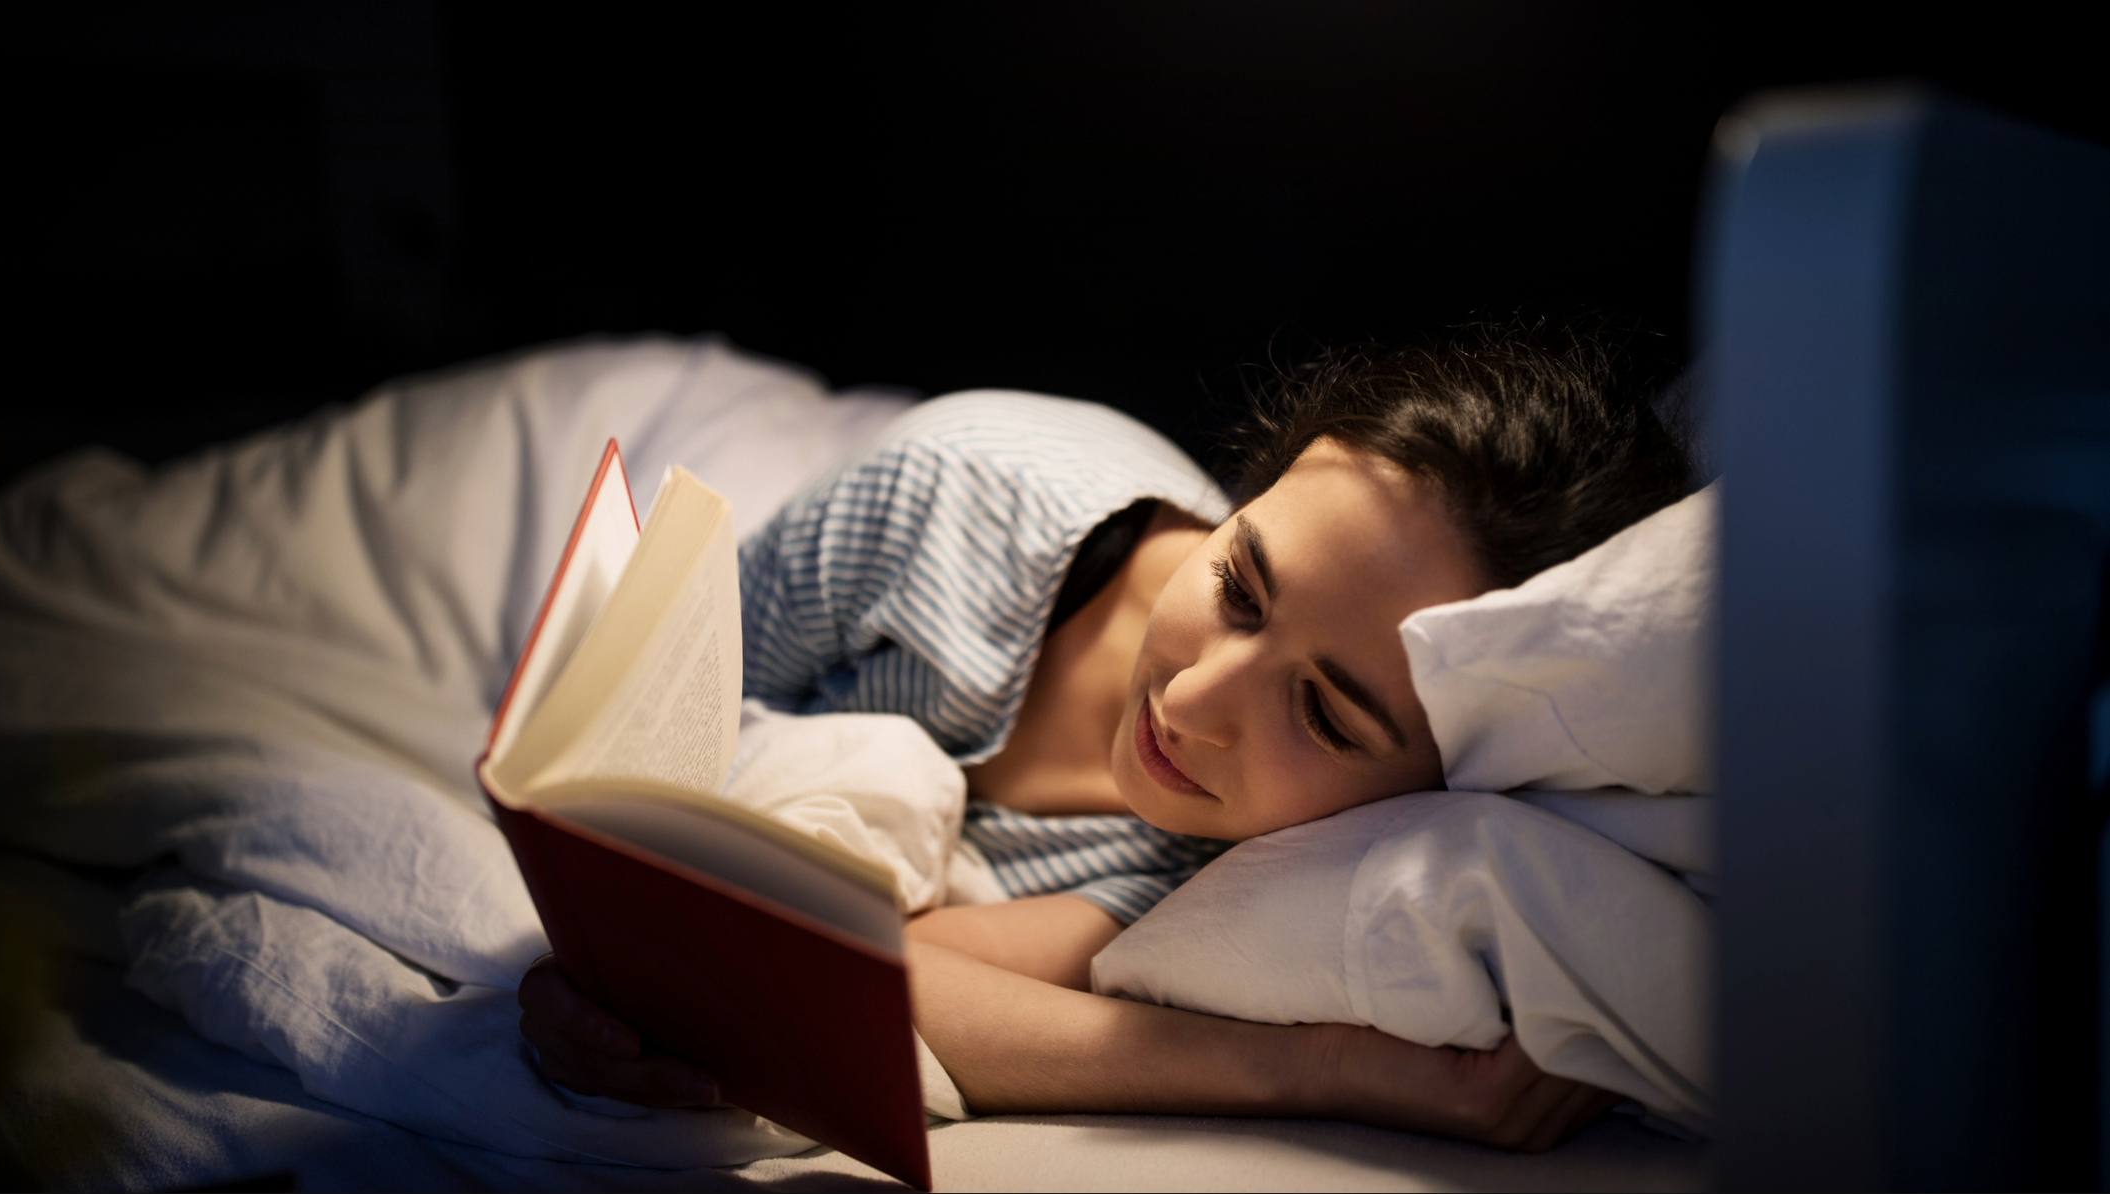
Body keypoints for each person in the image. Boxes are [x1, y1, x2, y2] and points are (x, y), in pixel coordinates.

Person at [516, 323, 1694, 1152]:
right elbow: (633, 706)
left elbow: (868, 979)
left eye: (1324, 713)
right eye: (1239, 587)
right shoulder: (956, 493)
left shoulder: (1246, 875)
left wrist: (1335, 1069)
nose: (1193, 703)